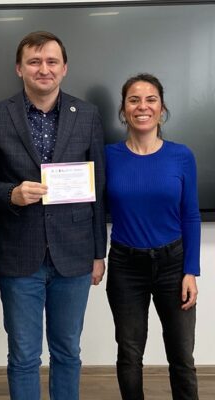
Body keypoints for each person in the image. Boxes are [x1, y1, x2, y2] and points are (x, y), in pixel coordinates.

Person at [0, 31, 107, 399]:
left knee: (67, 352)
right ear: (19, 68)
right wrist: (12, 194)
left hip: (75, 254)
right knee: (23, 356)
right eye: (34, 62)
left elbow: (98, 189)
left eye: (52, 61)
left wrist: (98, 252)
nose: (43, 69)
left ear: (64, 68)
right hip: (20, 255)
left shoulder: (87, 114)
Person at [105, 73, 200, 400]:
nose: (142, 106)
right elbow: (90, 210)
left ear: (162, 108)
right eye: (134, 100)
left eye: (151, 100)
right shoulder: (108, 156)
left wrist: (191, 270)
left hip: (174, 264)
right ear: (123, 110)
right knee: (129, 354)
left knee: (181, 356)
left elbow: (191, 215)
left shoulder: (181, 156)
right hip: (125, 266)